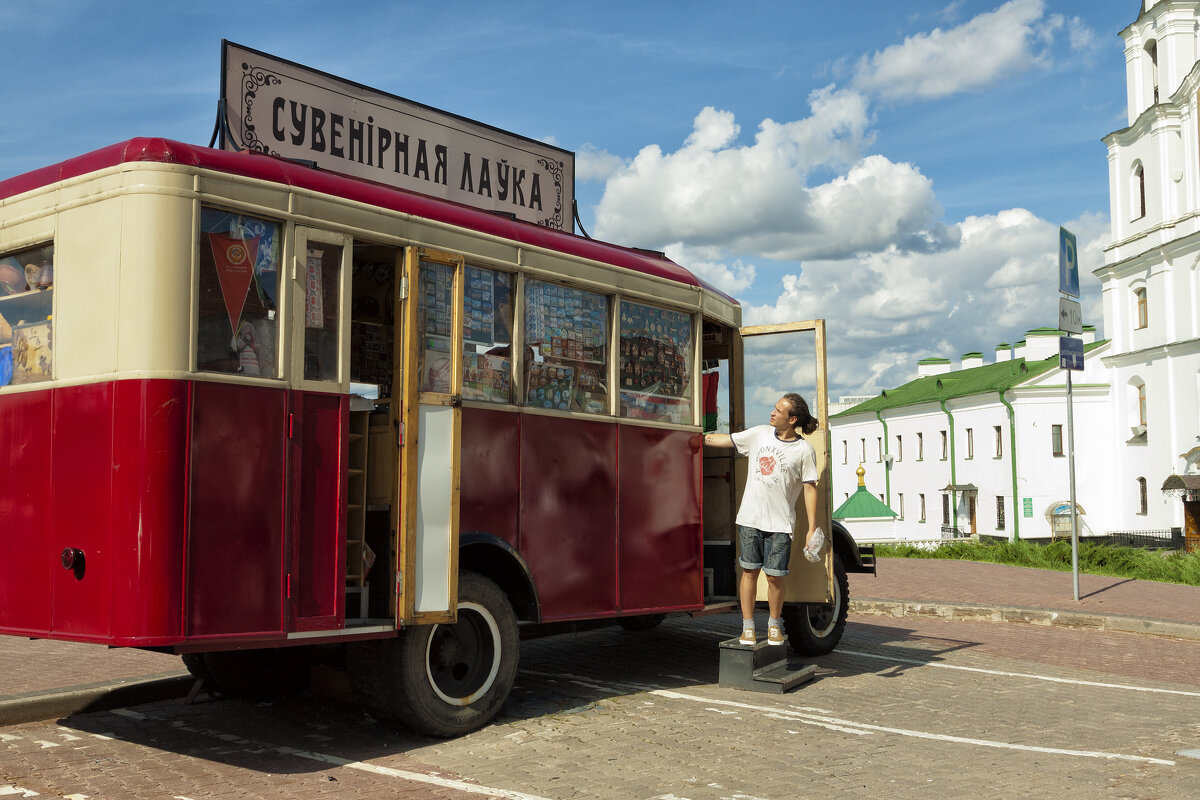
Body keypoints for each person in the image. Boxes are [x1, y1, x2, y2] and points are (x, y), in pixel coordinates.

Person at [703, 393, 821, 646]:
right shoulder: (759, 434)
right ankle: (747, 627)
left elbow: (810, 488)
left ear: (792, 419)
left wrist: (812, 528)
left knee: (775, 577)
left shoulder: (804, 450)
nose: (772, 412)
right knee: (749, 572)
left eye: (778, 410)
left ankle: (774, 625)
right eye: (774, 408)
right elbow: (726, 440)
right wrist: (696, 436)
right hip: (749, 519)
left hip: (780, 524)